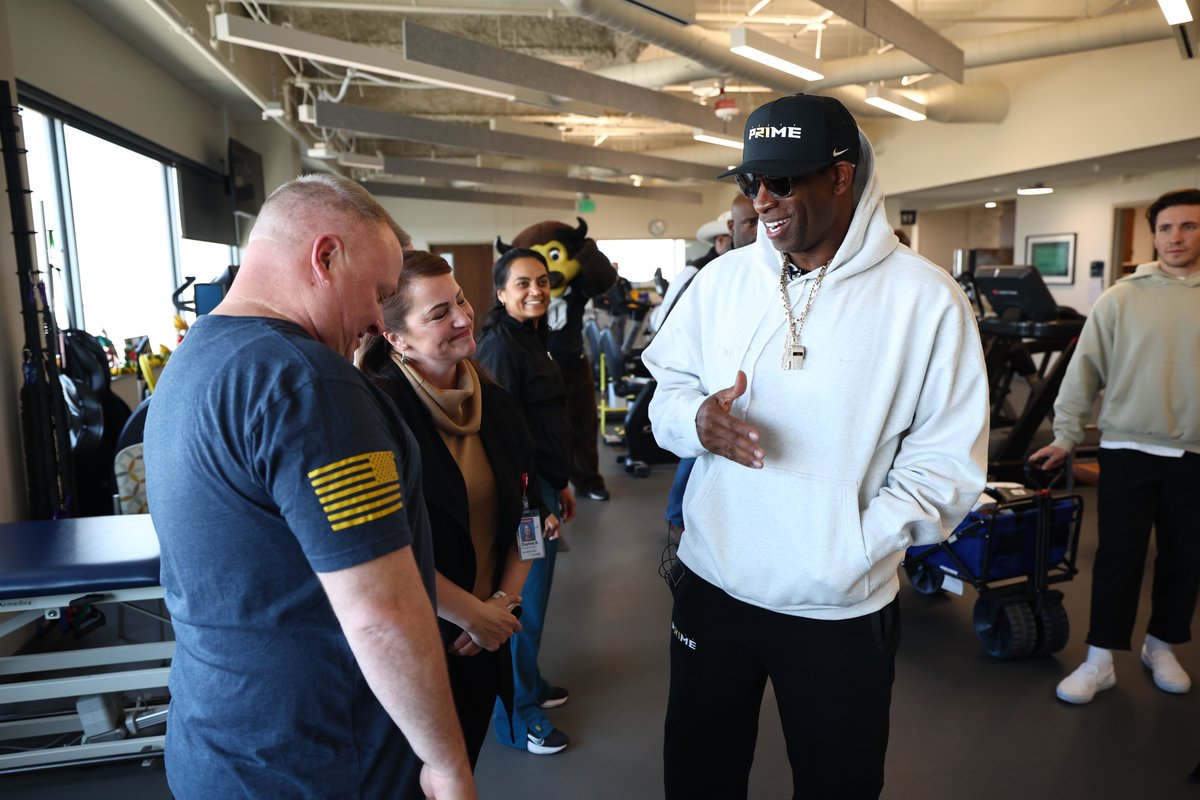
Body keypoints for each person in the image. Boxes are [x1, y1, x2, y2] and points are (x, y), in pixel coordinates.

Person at [642, 93, 988, 799]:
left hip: (838, 608)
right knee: (697, 777)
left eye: (783, 181)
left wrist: (853, 549)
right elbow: (666, 392)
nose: (761, 200)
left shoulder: (926, 301)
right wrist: (694, 424)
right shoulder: (723, 280)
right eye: (750, 183)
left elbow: (946, 467)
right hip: (714, 583)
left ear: (841, 175)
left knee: (839, 785)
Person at [143, 175, 474, 799]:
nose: (380, 318)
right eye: (379, 291)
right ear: (325, 257)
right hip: (319, 763)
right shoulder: (305, 381)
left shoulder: (192, 362)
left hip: (217, 747)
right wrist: (447, 764)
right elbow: (382, 614)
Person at [357, 250, 536, 766]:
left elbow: (527, 515)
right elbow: (381, 553)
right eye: (438, 314)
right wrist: (471, 615)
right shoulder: (377, 415)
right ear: (395, 337)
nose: (462, 316)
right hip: (416, 646)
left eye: (459, 300)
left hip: (484, 640)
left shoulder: (497, 404)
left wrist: (505, 603)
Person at [1031, 188, 1200, 705]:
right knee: (1119, 558)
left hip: (1194, 454)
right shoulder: (1122, 297)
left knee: (1185, 558)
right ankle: (1100, 659)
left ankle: (1162, 644)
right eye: (1166, 227)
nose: (1176, 237)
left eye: (1189, 226)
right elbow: (1083, 374)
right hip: (1127, 447)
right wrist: (1066, 435)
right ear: (1153, 235)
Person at [475, 248, 578, 756]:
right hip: (524, 502)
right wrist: (538, 504)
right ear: (501, 293)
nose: (535, 290)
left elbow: (543, 424)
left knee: (535, 603)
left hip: (542, 490)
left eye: (541, 281)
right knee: (521, 607)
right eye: (522, 283)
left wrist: (560, 482)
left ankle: (530, 685)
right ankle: (517, 717)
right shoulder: (500, 348)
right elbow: (507, 440)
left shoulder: (532, 340)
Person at [661, 194, 759, 538]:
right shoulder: (704, 276)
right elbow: (669, 332)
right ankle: (677, 514)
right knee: (701, 443)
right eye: (750, 221)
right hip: (709, 389)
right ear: (730, 229)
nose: (761, 229)